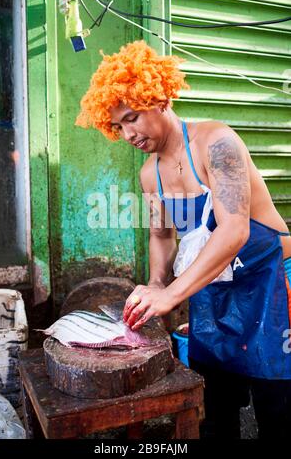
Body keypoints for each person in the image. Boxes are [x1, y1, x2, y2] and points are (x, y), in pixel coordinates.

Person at [76, 40, 291, 439]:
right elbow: (161, 235)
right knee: (215, 411)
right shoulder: (149, 176)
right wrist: (158, 282)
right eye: (118, 126)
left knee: (277, 410)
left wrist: (172, 293)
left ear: (157, 98)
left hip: (273, 285)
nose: (127, 134)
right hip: (214, 291)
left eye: (132, 117)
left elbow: (234, 229)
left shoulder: (216, 143)